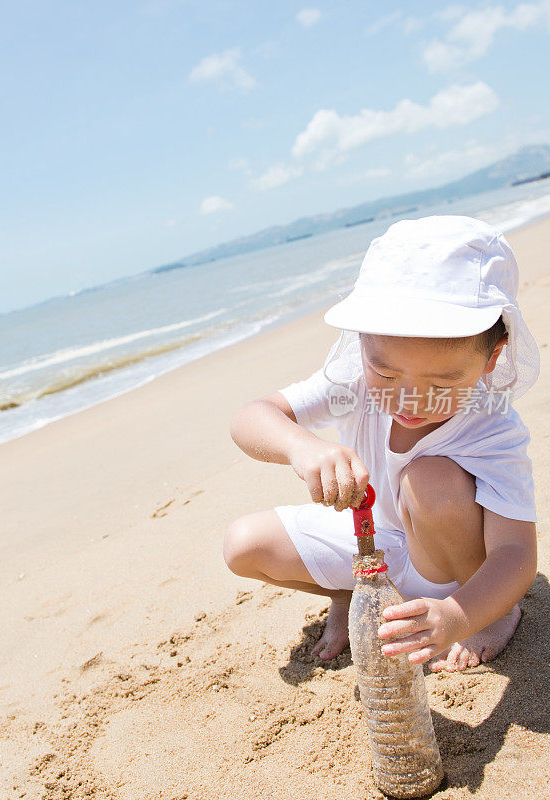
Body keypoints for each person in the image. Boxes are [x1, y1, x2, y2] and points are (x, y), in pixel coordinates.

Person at [224, 215, 539, 672]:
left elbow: (515, 554)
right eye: (386, 373)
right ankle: (353, 593)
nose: (409, 397)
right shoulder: (351, 382)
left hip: (451, 577)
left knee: (428, 479)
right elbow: (250, 418)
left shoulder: (491, 427)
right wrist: (302, 447)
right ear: (362, 344)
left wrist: (456, 615)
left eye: (444, 382)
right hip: (378, 547)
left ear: (493, 356)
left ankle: (494, 615)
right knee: (244, 544)